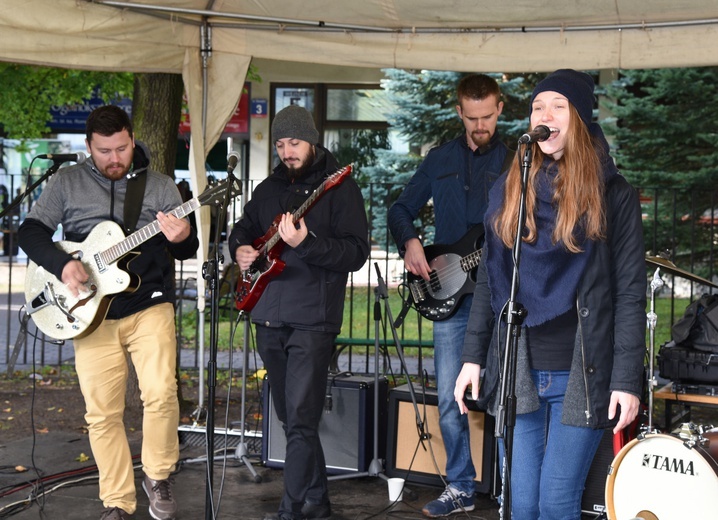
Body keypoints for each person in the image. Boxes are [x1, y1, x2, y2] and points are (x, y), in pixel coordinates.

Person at [454, 69, 646, 519]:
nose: (545, 114)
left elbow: (630, 294)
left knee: (556, 503)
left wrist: (625, 380)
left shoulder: (612, 195)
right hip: (520, 371)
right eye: (538, 106)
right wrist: (472, 357)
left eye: (557, 105)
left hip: (582, 373)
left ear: (577, 118)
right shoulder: (511, 188)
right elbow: (491, 280)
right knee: (521, 505)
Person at [18, 105, 198, 520]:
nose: (115, 158)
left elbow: (185, 249)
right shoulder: (66, 182)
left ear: (132, 140)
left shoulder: (161, 186)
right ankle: (117, 501)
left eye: (121, 148)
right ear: (88, 147)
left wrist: (184, 234)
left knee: (160, 394)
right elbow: (30, 231)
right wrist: (62, 264)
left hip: (148, 304)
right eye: (104, 151)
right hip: (88, 311)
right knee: (101, 413)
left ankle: (158, 475)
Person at [229, 105, 369, 520]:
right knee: (290, 418)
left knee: (302, 422)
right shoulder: (269, 185)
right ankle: (319, 503)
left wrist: (306, 242)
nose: (287, 152)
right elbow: (244, 228)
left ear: (312, 141)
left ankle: (290, 510)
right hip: (267, 314)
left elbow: (356, 253)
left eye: (294, 143)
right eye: (280, 144)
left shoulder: (339, 188)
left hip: (312, 318)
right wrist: (239, 248)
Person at [387, 74, 509, 517]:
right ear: (460, 112)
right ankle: (460, 486)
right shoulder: (439, 159)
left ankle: (510, 488)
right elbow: (399, 208)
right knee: (447, 396)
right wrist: (411, 242)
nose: (481, 126)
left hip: (500, 297)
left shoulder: (518, 163)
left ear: (500, 109)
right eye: (472, 117)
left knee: (506, 393)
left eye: (488, 116)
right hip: (452, 296)